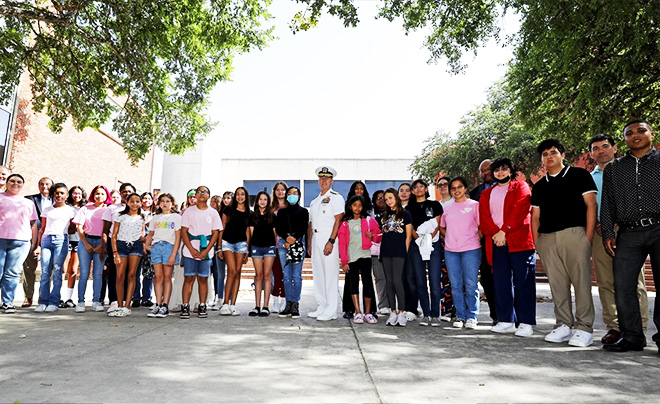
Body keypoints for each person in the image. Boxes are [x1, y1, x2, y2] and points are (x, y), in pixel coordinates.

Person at [531, 139, 597, 347]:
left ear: (562, 155)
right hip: (548, 239)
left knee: (581, 283)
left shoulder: (579, 175)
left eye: (553, 152)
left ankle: (584, 327)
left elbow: (591, 205)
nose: (549, 157)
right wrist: (537, 243)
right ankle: (563, 324)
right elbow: (535, 216)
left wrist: (587, 237)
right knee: (557, 285)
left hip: (574, 235)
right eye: (544, 154)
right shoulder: (540, 185)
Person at [601, 120, 660, 353]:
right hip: (629, 232)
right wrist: (607, 232)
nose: (635, 135)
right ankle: (633, 336)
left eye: (641, 131)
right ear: (624, 139)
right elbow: (607, 204)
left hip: (659, 227)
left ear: (651, 134)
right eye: (629, 133)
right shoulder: (614, 168)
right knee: (623, 285)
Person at [589, 134, 649, 346]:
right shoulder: (589, 178)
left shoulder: (632, 170)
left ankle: (638, 328)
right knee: (605, 282)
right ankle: (614, 327)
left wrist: (615, 224)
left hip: (628, 231)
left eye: (605, 146)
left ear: (615, 148)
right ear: (591, 154)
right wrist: (600, 226)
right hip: (599, 235)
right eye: (596, 148)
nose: (601, 151)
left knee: (635, 282)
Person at [478, 158, 536, 337]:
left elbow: (520, 210)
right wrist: (497, 234)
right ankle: (506, 320)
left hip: (519, 242)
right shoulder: (487, 193)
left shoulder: (521, 187)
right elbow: (484, 216)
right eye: (497, 170)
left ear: (511, 170)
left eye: (504, 169)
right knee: (501, 282)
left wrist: (505, 231)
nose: (500, 172)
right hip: (496, 242)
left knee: (523, 282)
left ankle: (525, 322)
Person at [440, 177, 482, 330]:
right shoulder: (447, 208)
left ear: (465, 188)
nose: (456, 190)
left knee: (470, 284)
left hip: (471, 250)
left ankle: (472, 316)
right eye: (453, 188)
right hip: (451, 251)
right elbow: (442, 227)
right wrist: (450, 236)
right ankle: (460, 315)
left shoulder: (474, 205)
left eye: (460, 187)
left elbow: (481, 226)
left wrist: (475, 237)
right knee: (456, 285)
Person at [307, 166, 345, 321]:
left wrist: (331, 241)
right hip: (316, 240)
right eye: (321, 178)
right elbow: (310, 225)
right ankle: (322, 305)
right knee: (319, 274)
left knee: (330, 274)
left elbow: (338, 220)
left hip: (329, 239)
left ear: (332, 181)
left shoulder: (336, 198)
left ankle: (331, 309)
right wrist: (309, 244)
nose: (323, 181)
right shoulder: (315, 201)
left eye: (327, 178)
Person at [337, 195, 381, 324]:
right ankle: (358, 312)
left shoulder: (369, 220)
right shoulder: (345, 223)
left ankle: (368, 313)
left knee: (367, 283)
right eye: (354, 205)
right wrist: (344, 261)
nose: (357, 208)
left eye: (360, 205)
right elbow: (342, 244)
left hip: (365, 256)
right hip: (351, 258)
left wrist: (372, 236)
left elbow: (379, 235)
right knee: (353, 284)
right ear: (350, 206)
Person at [180, 186, 222, 319]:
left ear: (209, 196)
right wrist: (192, 249)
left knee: (203, 278)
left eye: (205, 192)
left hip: (206, 250)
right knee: (189, 277)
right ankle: (185, 305)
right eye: (199, 192)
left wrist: (207, 250)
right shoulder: (188, 212)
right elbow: (184, 232)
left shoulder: (213, 213)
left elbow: (216, 233)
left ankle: (202, 304)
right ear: (195, 196)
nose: (202, 194)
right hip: (190, 249)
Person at [406, 179, 444, 326]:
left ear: (426, 188)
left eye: (421, 186)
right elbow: (410, 227)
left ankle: (435, 314)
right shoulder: (409, 208)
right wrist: (419, 239)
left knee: (434, 280)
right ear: (413, 191)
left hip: (433, 244)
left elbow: (437, 223)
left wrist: (429, 237)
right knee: (420, 281)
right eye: (415, 187)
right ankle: (426, 314)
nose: (418, 189)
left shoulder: (435, 204)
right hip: (416, 245)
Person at [35, 183, 75, 313]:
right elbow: (42, 228)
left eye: (62, 193)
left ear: (67, 195)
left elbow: (73, 228)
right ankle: (42, 301)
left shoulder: (70, 210)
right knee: (45, 271)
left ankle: (54, 301)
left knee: (58, 271)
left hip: (61, 240)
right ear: (53, 194)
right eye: (57, 193)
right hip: (47, 240)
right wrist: (39, 245)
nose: (59, 195)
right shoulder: (47, 209)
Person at [0, 174, 37, 313]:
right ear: (6, 183)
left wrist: (33, 243)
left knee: (12, 273)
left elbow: (33, 223)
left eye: (19, 182)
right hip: (1, 240)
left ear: (23, 185)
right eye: (12, 181)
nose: (16, 183)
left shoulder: (28, 202)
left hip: (20, 242)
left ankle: (7, 302)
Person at [72, 185, 111, 312]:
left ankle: (96, 301)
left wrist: (102, 245)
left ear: (106, 196)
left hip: (101, 242)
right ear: (93, 195)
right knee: (83, 273)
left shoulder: (108, 210)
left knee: (98, 274)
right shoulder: (85, 208)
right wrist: (86, 244)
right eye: (97, 193)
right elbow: (79, 227)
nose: (99, 196)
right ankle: (81, 302)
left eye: (102, 194)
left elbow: (110, 228)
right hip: (86, 241)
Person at [469, 159, 497, 324]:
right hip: (482, 242)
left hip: (503, 239)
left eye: (488, 169)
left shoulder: (509, 188)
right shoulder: (475, 192)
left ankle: (512, 315)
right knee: (486, 278)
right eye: (482, 171)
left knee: (506, 279)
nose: (485, 173)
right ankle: (496, 315)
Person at [109, 193, 147, 317]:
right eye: (132, 201)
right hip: (121, 246)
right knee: (120, 276)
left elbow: (143, 233)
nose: (135, 204)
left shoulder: (142, 217)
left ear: (141, 203)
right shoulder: (120, 216)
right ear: (127, 202)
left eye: (137, 201)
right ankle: (120, 305)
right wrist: (115, 252)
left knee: (132, 275)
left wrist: (145, 243)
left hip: (135, 246)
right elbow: (113, 236)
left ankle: (127, 306)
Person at [144, 193, 181, 318]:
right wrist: (147, 246)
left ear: (172, 203)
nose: (165, 203)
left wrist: (173, 254)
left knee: (167, 277)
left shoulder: (176, 217)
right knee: (158, 277)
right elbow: (150, 234)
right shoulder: (156, 218)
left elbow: (178, 237)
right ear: (158, 204)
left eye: (168, 201)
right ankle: (158, 304)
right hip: (156, 247)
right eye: (162, 201)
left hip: (169, 247)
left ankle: (165, 305)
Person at [342, 180, 375, 318]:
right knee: (350, 280)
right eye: (357, 188)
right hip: (352, 253)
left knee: (368, 281)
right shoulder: (347, 217)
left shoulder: (368, 211)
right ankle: (350, 309)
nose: (359, 191)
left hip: (365, 252)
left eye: (361, 188)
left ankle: (370, 311)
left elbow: (375, 231)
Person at [380, 188, 412, 326]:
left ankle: (402, 312)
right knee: (389, 281)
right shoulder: (384, 216)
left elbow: (409, 236)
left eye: (390, 198)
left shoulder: (406, 214)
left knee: (397, 280)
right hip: (386, 251)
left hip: (399, 252)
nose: (388, 201)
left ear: (396, 197)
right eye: (386, 199)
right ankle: (393, 312)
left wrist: (404, 252)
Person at [102, 183, 136, 313]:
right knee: (115, 273)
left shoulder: (137, 209)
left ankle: (127, 301)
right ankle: (114, 300)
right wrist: (105, 244)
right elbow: (105, 229)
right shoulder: (111, 209)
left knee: (130, 273)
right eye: (124, 191)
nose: (126, 193)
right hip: (115, 243)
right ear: (120, 193)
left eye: (129, 191)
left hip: (132, 244)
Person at [276, 186, 308, 319]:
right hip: (284, 244)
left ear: (299, 195)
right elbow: (278, 228)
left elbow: (304, 228)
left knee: (296, 275)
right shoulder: (282, 212)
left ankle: (295, 303)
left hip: (298, 243)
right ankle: (288, 303)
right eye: (289, 193)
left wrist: (293, 239)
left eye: (295, 193)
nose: (292, 196)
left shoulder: (304, 211)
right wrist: (286, 238)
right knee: (287, 275)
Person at [21, 176, 53, 307]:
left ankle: (43, 296)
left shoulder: (58, 200)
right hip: (32, 236)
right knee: (29, 268)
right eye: (41, 184)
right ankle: (28, 297)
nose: (44, 186)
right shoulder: (29, 199)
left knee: (48, 269)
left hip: (50, 236)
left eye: (47, 184)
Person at [219, 187, 251, 316]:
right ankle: (225, 303)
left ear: (246, 196)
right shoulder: (228, 210)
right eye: (237, 194)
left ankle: (233, 304)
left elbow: (248, 231)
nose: (240, 197)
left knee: (237, 272)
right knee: (231, 271)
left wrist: (247, 250)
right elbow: (222, 227)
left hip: (241, 244)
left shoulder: (249, 212)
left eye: (242, 194)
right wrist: (219, 247)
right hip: (227, 243)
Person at [248, 191, 277, 317]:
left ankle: (266, 306)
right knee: (258, 275)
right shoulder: (252, 216)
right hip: (256, 247)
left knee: (267, 275)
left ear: (268, 201)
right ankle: (257, 306)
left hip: (269, 247)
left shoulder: (272, 216)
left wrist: (270, 245)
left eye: (265, 199)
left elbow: (275, 234)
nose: (263, 201)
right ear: (257, 201)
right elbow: (251, 232)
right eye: (260, 199)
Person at [61, 186, 86, 308]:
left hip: (78, 240)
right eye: (74, 193)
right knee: (63, 269)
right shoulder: (65, 207)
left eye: (79, 193)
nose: (77, 195)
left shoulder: (85, 208)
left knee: (73, 270)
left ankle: (69, 298)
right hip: (66, 239)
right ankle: (58, 297)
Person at [436, 176, 455, 321]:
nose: (443, 187)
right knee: (444, 278)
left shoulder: (457, 202)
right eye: (440, 185)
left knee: (457, 278)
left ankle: (460, 310)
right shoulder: (436, 206)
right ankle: (446, 309)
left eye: (445, 184)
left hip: (459, 244)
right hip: (441, 245)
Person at [132, 191, 155, 308]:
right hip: (136, 244)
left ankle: (146, 297)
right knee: (135, 273)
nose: (146, 200)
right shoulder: (136, 213)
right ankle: (135, 297)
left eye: (148, 198)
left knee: (148, 273)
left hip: (151, 245)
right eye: (144, 198)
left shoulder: (155, 214)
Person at [210, 191, 232, 310]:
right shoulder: (218, 214)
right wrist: (219, 246)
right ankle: (219, 297)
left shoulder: (234, 213)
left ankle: (230, 300)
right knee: (219, 274)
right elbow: (219, 230)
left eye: (228, 198)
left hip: (233, 246)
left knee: (232, 274)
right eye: (224, 198)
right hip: (219, 246)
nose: (226, 200)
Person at [371, 190, 389, 316]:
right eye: (377, 198)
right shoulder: (371, 216)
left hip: (392, 250)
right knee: (381, 278)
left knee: (395, 279)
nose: (380, 200)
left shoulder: (393, 214)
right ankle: (383, 305)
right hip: (375, 251)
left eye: (383, 198)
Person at [270, 183, 288, 313]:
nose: (280, 192)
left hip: (286, 245)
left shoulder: (289, 208)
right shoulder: (271, 209)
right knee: (276, 274)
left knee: (285, 274)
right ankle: (275, 300)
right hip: (273, 246)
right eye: (278, 190)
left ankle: (284, 299)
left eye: (283, 190)